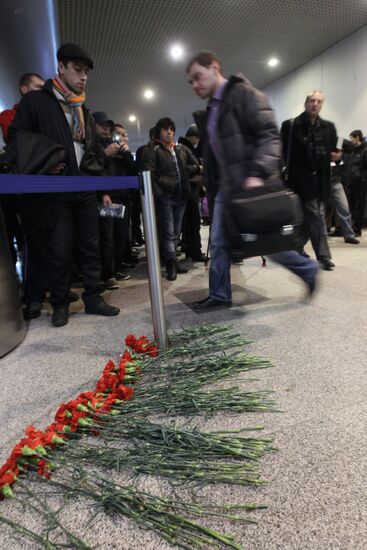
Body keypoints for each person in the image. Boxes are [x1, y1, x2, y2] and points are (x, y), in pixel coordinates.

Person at [186, 51, 318, 309]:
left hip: (251, 185)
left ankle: (307, 269)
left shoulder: (244, 94)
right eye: (190, 81)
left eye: (197, 77)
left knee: (268, 242)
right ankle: (220, 295)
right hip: (227, 188)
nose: (195, 84)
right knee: (219, 242)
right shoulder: (213, 109)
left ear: (215, 67)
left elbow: (270, 136)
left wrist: (258, 172)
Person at [8, 43, 120, 326]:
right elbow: (16, 136)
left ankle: (93, 297)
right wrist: (44, 163)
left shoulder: (82, 108)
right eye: (78, 70)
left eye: (86, 73)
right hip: (55, 187)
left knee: (90, 245)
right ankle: (59, 303)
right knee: (59, 248)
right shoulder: (37, 101)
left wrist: (102, 187)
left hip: (83, 185)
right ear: (61, 67)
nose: (83, 77)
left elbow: (90, 151)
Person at [281, 91, 337, 270]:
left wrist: (336, 155)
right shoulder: (291, 125)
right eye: (312, 101)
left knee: (308, 219)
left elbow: (331, 151)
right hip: (300, 179)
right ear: (306, 102)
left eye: (319, 101)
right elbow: (282, 153)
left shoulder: (328, 127)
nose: (315, 104)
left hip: (321, 180)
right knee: (316, 216)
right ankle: (323, 256)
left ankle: (295, 247)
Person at [141, 117, 200, 281]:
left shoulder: (178, 149)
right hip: (166, 197)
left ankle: (172, 260)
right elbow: (148, 174)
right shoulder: (152, 150)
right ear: (159, 131)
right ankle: (171, 264)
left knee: (176, 232)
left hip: (181, 195)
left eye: (171, 129)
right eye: (166, 129)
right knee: (168, 232)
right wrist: (160, 194)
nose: (169, 132)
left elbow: (187, 169)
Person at [178, 124, 206, 262]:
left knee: (190, 223)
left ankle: (191, 249)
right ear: (195, 137)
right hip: (190, 191)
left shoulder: (184, 147)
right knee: (193, 222)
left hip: (190, 190)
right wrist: (199, 168)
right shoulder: (184, 148)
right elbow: (184, 168)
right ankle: (195, 251)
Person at [344, 130, 367, 237]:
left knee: (359, 207)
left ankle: (357, 229)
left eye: (352, 138)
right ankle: (352, 227)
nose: (351, 140)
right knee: (351, 206)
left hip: (360, 184)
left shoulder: (365, 150)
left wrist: (362, 180)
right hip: (351, 183)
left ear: (357, 137)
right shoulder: (353, 151)